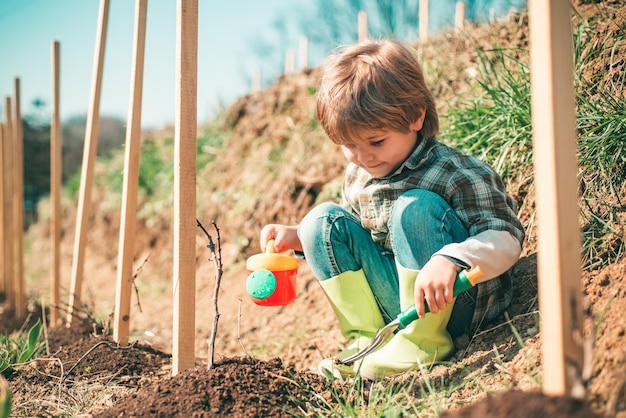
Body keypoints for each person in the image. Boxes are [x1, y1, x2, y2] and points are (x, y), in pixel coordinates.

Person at [259, 38, 524, 381]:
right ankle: (369, 338)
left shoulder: (455, 172)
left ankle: (425, 342)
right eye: (349, 145)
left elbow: (507, 236)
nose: (363, 156)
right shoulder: (359, 174)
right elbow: (352, 240)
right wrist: (298, 237)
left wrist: (453, 258)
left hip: (456, 304)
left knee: (414, 208)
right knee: (320, 221)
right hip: (401, 306)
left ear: (415, 116)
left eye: (376, 141)